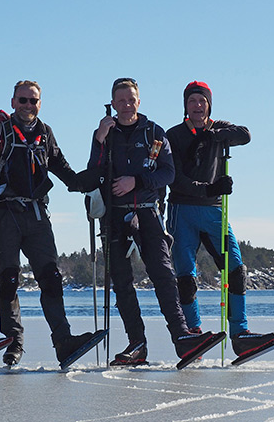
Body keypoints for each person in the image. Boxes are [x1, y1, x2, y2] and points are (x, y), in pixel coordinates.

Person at [87, 78, 220, 366]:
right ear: (113, 103)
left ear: (138, 101)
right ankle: (137, 345)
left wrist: (135, 181)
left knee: (163, 275)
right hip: (114, 217)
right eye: (120, 100)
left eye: (130, 99)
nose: (125, 105)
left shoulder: (153, 132)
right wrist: (99, 139)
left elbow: (168, 173)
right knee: (121, 283)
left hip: (147, 212)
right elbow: (92, 174)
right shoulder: (104, 134)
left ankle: (182, 338)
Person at [0, 80, 101, 367]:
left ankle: (64, 340)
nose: (28, 106)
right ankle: (13, 343)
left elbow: (65, 172)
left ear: (40, 104)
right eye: (23, 100)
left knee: (51, 278)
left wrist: (98, 176)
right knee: (8, 279)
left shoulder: (45, 133)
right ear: (13, 101)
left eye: (33, 101)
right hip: (5, 213)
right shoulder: (0, 129)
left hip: (37, 215)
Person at [165, 80, 274, 357]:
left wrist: (215, 136)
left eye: (202, 101)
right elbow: (175, 179)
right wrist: (209, 188)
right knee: (186, 275)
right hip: (182, 210)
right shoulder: (174, 135)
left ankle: (241, 333)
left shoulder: (218, 128)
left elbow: (245, 135)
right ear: (185, 105)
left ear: (209, 105)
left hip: (214, 211)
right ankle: (192, 333)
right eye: (192, 101)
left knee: (235, 269)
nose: (198, 106)